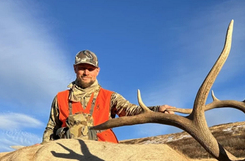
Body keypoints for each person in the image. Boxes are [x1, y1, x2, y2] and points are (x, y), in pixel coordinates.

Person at [42, 50, 173, 143]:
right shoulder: (60, 98)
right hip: (67, 157)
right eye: (82, 68)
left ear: (97, 71)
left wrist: (157, 110)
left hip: (103, 155)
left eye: (90, 69)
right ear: (75, 69)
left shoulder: (110, 97)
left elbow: (131, 111)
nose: (86, 73)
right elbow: (51, 128)